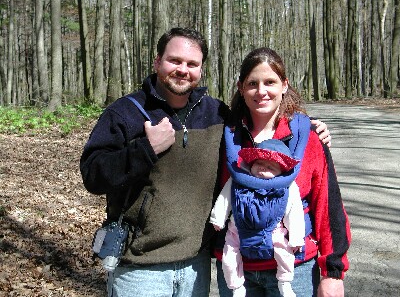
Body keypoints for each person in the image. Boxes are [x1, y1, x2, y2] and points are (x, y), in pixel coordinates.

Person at [80, 27, 332, 297]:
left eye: (192, 64)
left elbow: (260, 125)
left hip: (195, 265)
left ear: (200, 70)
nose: (183, 69)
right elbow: (93, 175)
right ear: (157, 62)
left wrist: (308, 128)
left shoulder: (217, 115)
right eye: (174, 61)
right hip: (140, 267)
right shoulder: (126, 112)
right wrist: (145, 149)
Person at [213, 47, 351, 297]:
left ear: (284, 85)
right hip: (237, 269)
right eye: (252, 83)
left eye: (270, 82)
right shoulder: (225, 138)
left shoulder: (307, 138)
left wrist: (333, 272)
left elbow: (328, 207)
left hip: (294, 269)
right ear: (240, 87)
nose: (261, 91)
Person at [210, 139, 306, 297]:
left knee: (284, 252)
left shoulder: (287, 187)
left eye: (270, 167)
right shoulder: (238, 179)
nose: (263, 168)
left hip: (273, 230)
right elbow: (225, 198)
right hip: (237, 229)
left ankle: (285, 281)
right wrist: (218, 218)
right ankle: (236, 286)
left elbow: (294, 211)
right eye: (260, 163)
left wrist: (296, 238)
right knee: (229, 257)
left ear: (281, 172)